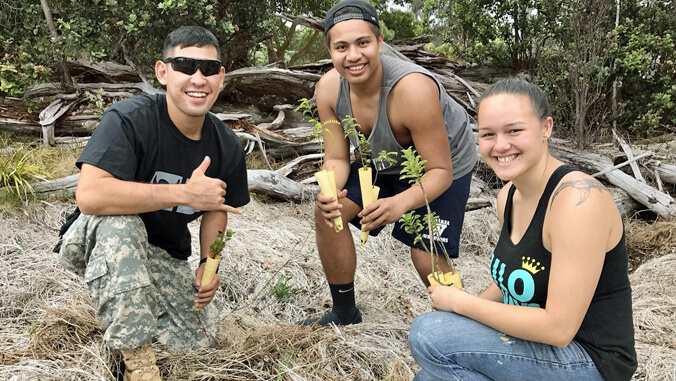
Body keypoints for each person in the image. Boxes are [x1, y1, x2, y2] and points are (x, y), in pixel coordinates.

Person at [408, 78, 637, 381]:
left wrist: (462, 304)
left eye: (514, 130)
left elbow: (558, 328)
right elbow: (509, 284)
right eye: (488, 134)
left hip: (587, 360)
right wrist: (457, 312)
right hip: (537, 346)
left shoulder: (578, 201)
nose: (500, 145)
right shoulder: (508, 196)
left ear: (546, 128)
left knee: (428, 334)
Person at [58, 26, 250, 380]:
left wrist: (209, 265)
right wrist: (182, 194)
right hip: (93, 238)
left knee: (198, 340)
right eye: (184, 66)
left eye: (208, 69)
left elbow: (217, 211)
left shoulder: (226, 145)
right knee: (124, 222)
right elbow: (90, 196)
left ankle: (130, 308)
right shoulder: (129, 119)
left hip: (160, 252)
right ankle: (138, 362)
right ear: (163, 72)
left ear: (221, 78)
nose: (198, 78)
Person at [301, 0, 476, 326]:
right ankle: (344, 313)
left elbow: (440, 172)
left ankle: (467, 328)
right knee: (329, 215)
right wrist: (331, 189)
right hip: (383, 158)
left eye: (363, 43)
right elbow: (337, 157)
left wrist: (398, 204)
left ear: (380, 43)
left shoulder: (412, 90)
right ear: (330, 51)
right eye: (341, 47)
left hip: (442, 162)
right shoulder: (327, 90)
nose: (353, 55)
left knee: (425, 255)